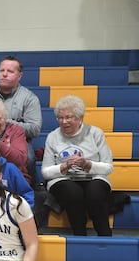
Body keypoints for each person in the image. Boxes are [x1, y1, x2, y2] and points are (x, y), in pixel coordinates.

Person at [42, 94, 114, 236]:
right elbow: (45, 172)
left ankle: (105, 236)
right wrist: (64, 166)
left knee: (94, 193)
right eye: (60, 118)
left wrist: (88, 164)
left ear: (80, 118)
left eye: (68, 117)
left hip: (94, 177)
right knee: (73, 193)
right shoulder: (52, 136)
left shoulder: (95, 133)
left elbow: (108, 167)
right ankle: (79, 235)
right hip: (63, 179)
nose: (64, 122)